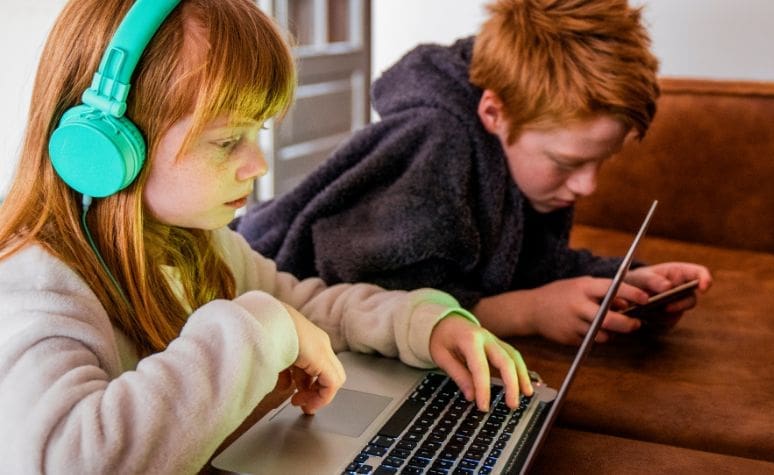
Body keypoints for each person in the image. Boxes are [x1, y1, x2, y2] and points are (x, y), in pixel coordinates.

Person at [0, 0, 534, 472]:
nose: (256, 164)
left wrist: (422, 322)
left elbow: (303, 307)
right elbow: (63, 460)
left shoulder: (194, 244)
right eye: (228, 140)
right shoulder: (38, 286)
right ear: (103, 151)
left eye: (257, 133)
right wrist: (256, 326)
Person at [234, 0, 713, 346]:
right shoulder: (436, 143)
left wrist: (626, 282)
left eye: (601, 161)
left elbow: (522, 264)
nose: (589, 185)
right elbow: (373, 296)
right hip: (262, 291)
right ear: (494, 112)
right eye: (567, 163)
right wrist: (528, 313)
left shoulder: (520, 163)